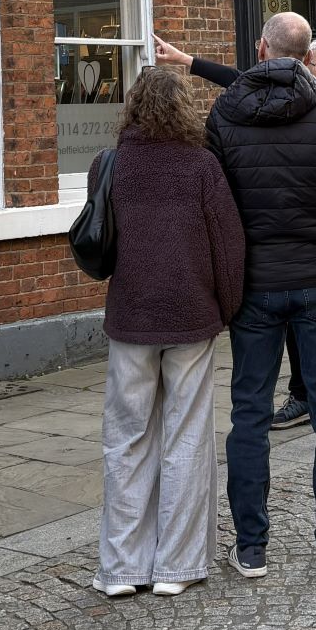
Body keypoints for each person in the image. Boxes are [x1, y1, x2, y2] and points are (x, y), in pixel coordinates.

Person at [205, 12, 316, 579]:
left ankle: (251, 547)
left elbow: (216, 208)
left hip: (255, 285)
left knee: (249, 413)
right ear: (305, 58)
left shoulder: (225, 112)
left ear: (260, 48)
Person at [152, 32, 316, 441]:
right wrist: (186, 59)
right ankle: (303, 394)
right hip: (295, 253)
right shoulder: (260, 101)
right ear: (306, 62)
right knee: (298, 328)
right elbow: (237, 79)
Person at [88, 68, 245, 598]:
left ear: (132, 107)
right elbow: (229, 247)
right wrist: (227, 308)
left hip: (130, 315)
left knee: (125, 441)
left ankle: (121, 568)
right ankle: (176, 566)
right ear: (183, 109)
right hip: (191, 316)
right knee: (187, 437)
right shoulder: (202, 166)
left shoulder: (110, 165)